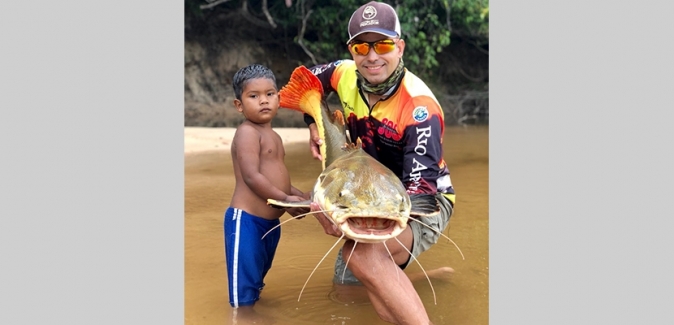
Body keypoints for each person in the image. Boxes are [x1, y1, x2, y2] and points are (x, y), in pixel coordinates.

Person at [286, 2, 456, 324]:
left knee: (361, 255)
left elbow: (418, 190)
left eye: (384, 44)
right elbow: (305, 81)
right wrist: (312, 121)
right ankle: (412, 279)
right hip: (363, 189)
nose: (372, 56)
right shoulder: (343, 72)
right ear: (352, 50)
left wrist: (353, 223)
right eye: (362, 46)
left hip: (420, 200)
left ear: (400, 47)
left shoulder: (420, 109)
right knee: (346, 285)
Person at [224, 64, 307, 310]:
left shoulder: (275, 137)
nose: (264, 101)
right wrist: (284, 199)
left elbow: (276, 178)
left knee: (256, 283)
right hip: (246, 222)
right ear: (239, 105)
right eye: (254, 96)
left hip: (270, 225)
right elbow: (251, 176)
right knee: (243, 297)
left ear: (279, 99)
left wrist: (301, 196)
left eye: (270, 94)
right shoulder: (247, 133)